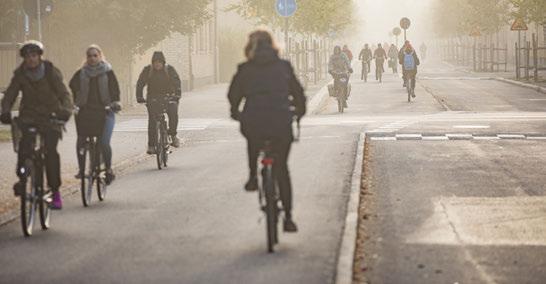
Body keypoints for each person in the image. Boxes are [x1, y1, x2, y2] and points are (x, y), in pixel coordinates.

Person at [228, 30, 306, 232]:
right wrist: (299, 111)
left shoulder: (245, 69)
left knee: (253, 139)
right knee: (282, 168)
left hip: (253, 121)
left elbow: (233, 94)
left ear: (250, 47)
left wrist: (235, 112)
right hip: (281, 122)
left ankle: (253, 176)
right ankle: (288, 218)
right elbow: (298, 93)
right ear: (273, 45)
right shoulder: (284, 66)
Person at [0, 41, 73, 209]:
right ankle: (22, 178)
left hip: (51, 117)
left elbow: (63, 93)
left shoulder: (50, 71)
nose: (31, 59)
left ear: (39, 56)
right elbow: (10, 94)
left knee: (50, 153)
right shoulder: (20, 74)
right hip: (29, 117)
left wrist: (66, 111)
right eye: (27, 56)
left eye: (33, 55)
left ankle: (55, 192)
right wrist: (5, 111)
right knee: (23, 148)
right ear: (24, 58)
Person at [70, 45, 121, 185]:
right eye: (89, 56)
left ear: (100, 56)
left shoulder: (108, 72)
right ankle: (81, 170)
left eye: (95, 55)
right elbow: (72, 86)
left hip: (106, 111)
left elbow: (115, 89)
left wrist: (115, 103)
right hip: (86, 112)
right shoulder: (81, 73)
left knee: (104, 142)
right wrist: (75, 102)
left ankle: (109, 169)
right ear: (86, 58)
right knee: (81, 141)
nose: (92, 58)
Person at [136, 51, 182, 154]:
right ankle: (151, 145)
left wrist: (177, 95)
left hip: (168, 97)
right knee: (152, 120)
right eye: (155, 62)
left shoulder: (169, 70)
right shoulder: (147, 70)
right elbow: (140, 83)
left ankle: (173, 135)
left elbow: (176, 82)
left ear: (163, 62)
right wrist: (139, 96)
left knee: (173, 113)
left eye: (159, 62)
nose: (157, 64)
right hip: (153, 98)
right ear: (152, 62)